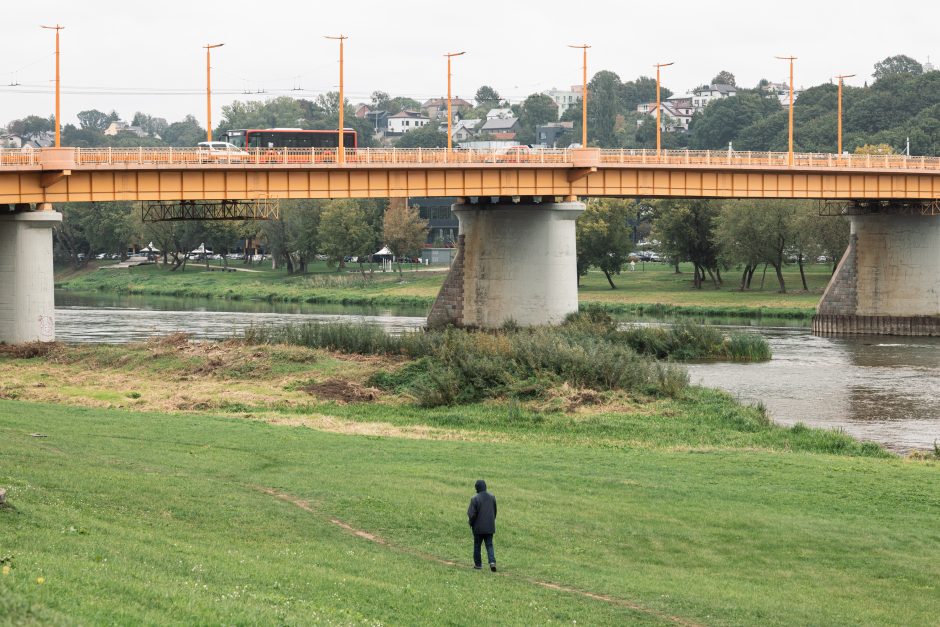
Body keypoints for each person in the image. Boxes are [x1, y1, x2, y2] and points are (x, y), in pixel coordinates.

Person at [467, 479, 497, 571]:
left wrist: (470, 523)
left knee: (477, 545)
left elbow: (471, 514)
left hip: (478, 528)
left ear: (477, 488)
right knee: (489, 545)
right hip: (490, 526)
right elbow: (494, 511)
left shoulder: (474, 499)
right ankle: (492, 562)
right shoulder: (492, 497)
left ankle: (478, 564)